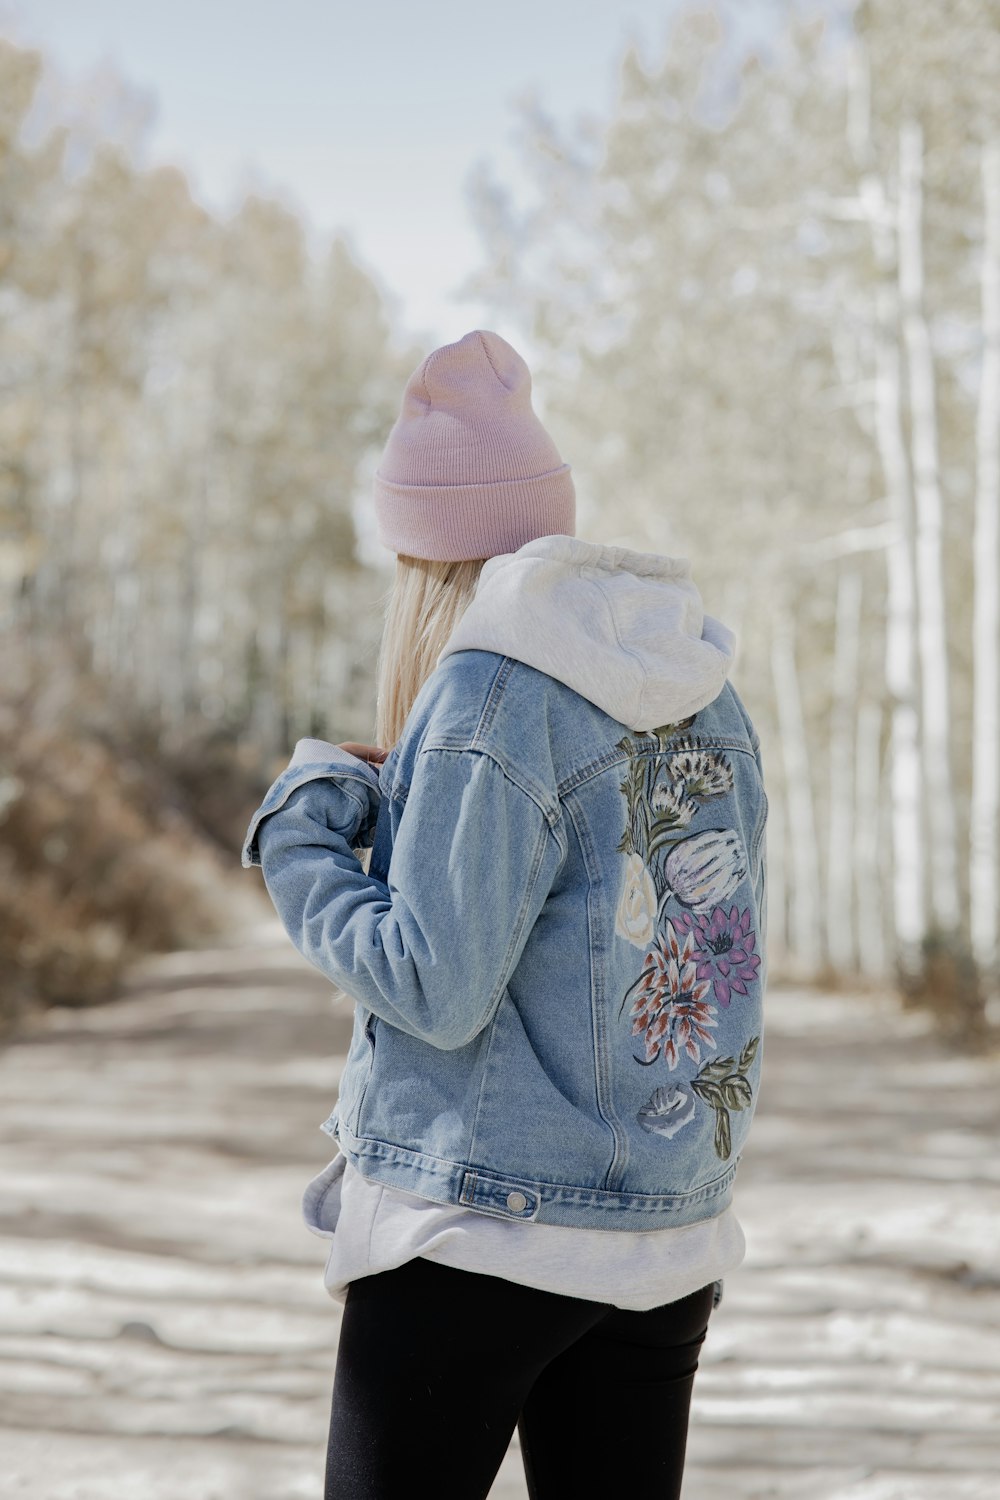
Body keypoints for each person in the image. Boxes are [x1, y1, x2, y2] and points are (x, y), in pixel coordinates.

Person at [241, 329, 768, 1500]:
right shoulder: (700, 686)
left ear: (423, 555)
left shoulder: (487, 691)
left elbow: (433, 981)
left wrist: (297, 832)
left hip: (478, 1238)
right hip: (663, 1244)